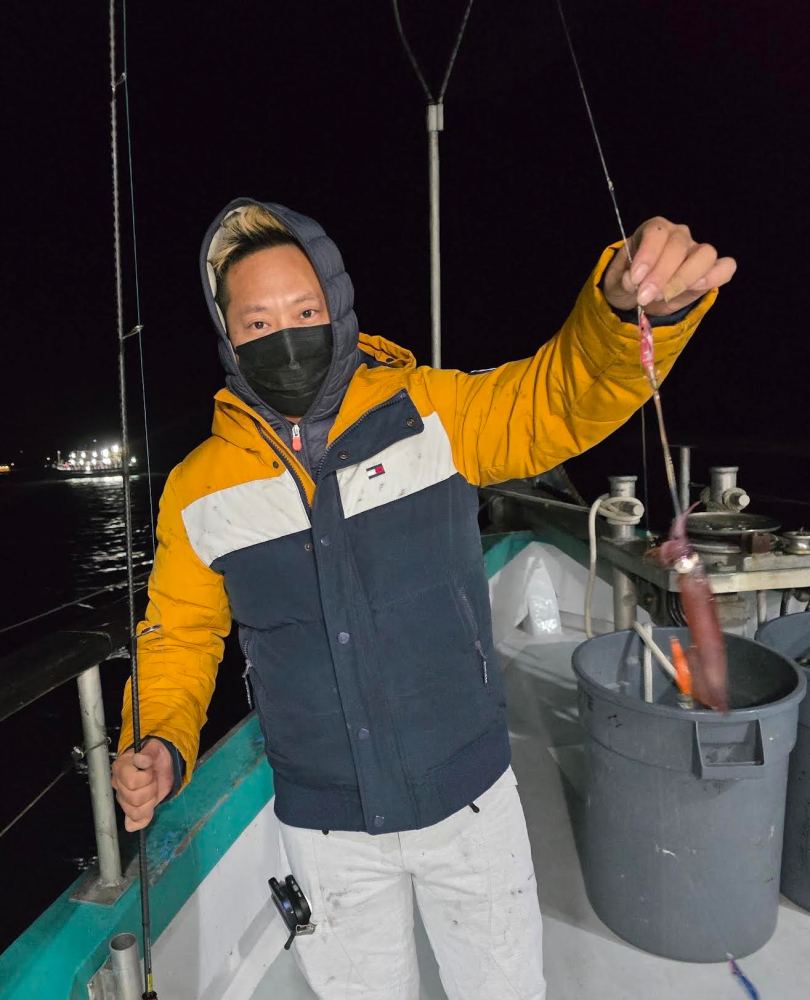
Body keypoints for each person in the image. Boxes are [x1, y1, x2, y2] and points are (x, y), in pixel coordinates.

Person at [111, 199, 735, 1000]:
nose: (285, 334)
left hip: (469, 802)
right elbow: (179, 635)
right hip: (324, 828)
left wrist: (623, 313)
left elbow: (558, 398)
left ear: (337, 307)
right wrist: (160, 737)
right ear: (228, 338)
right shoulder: (198, 487)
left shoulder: (436, 412)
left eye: (304, 310)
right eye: (257, 321)